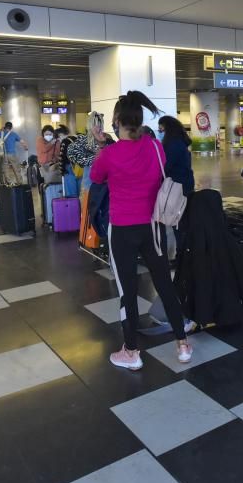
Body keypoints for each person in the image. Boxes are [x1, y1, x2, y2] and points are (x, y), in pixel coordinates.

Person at [90, 91, 192, 370]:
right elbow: (152, 168)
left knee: (128, 291)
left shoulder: (109, 155)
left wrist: (103, 147)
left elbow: (96, 176)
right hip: (153, 227)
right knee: (164, 284)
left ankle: (131, 351)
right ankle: (182, 345)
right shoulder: (154, 147)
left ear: (116, 121)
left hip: (122, 230)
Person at [158, 115, 195, 257]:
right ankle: (184, 252)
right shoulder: (180, 142)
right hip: (184, 185)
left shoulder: (173, 144)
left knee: (178, 223)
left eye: (161, 129)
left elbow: (165, 167)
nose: (160, 132)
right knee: (181, 221)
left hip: (176, 187)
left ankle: (182, 255)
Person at [67, 112, 114, 192]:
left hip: (105, 185)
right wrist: (92, 159)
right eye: (94, 124)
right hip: (88, 184)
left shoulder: (107, 139)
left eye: (99, 124)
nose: (97, 127)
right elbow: (71, 153)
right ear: (89, 125)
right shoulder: (83, 140)